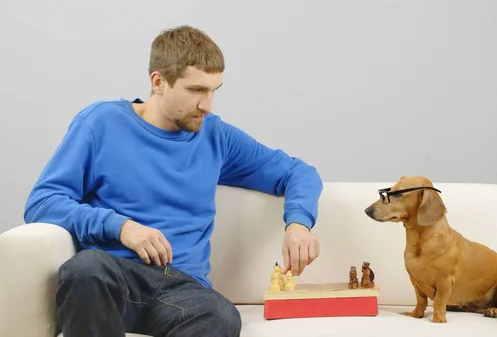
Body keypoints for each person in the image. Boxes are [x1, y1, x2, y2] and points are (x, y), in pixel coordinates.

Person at [23, 25, 323, 337]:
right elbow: (42, 203)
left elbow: (297, 172)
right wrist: (121, 227)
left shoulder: (215, 136)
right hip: (114, 277)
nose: (207, 105)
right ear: (159, 82)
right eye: (196, 91)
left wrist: (298, 224)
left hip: (182, 289)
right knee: (84, 270)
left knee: (221, 315)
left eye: (213, 91)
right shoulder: (100, 123)